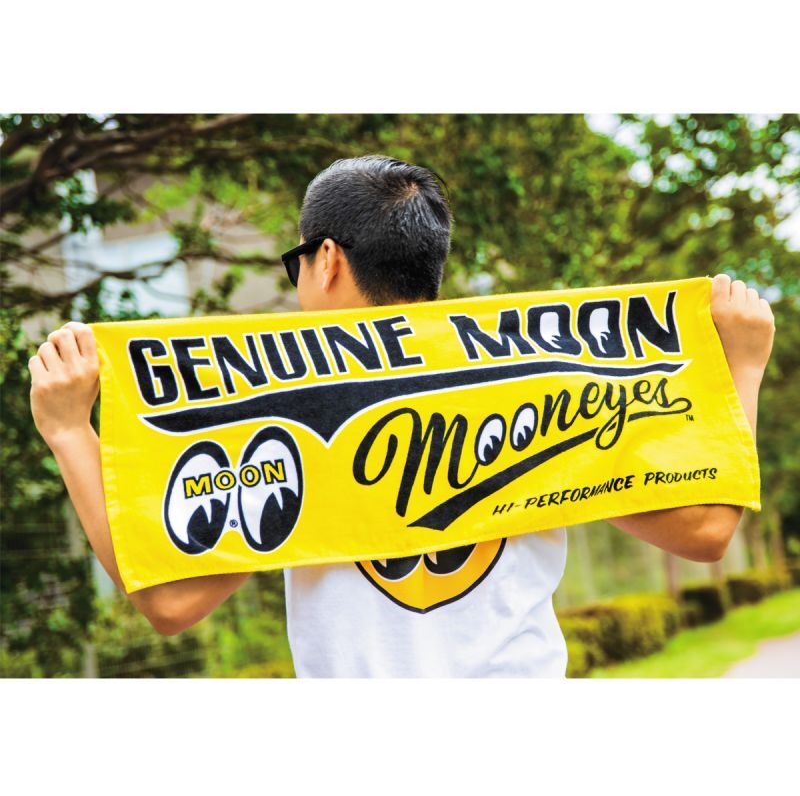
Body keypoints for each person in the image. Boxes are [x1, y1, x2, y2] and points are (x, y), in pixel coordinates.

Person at [29, 154, 776, 677]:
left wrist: (69, 430)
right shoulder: (535, 376)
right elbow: (706, 532)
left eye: (296, 264)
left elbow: (169, 603)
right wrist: (742, 365)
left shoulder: (280, 409)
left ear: (326, 258)